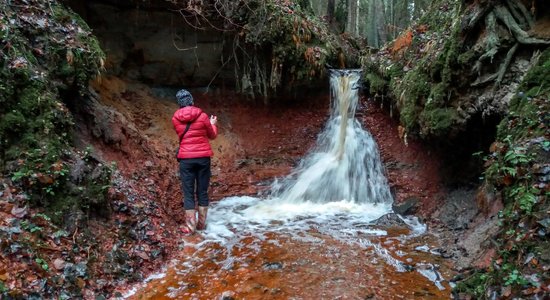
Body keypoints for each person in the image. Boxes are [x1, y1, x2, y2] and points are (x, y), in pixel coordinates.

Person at [172, 89, 218, 235]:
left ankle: (190, 228)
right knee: (202, 191)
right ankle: (202, 224)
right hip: (203, 158)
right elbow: (212, 135)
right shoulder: (203, 116)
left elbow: (182, 135)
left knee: (188, 193)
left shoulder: (175, 119)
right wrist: (212, 124)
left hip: (186, 159)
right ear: (192, 100)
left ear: (179, 104)